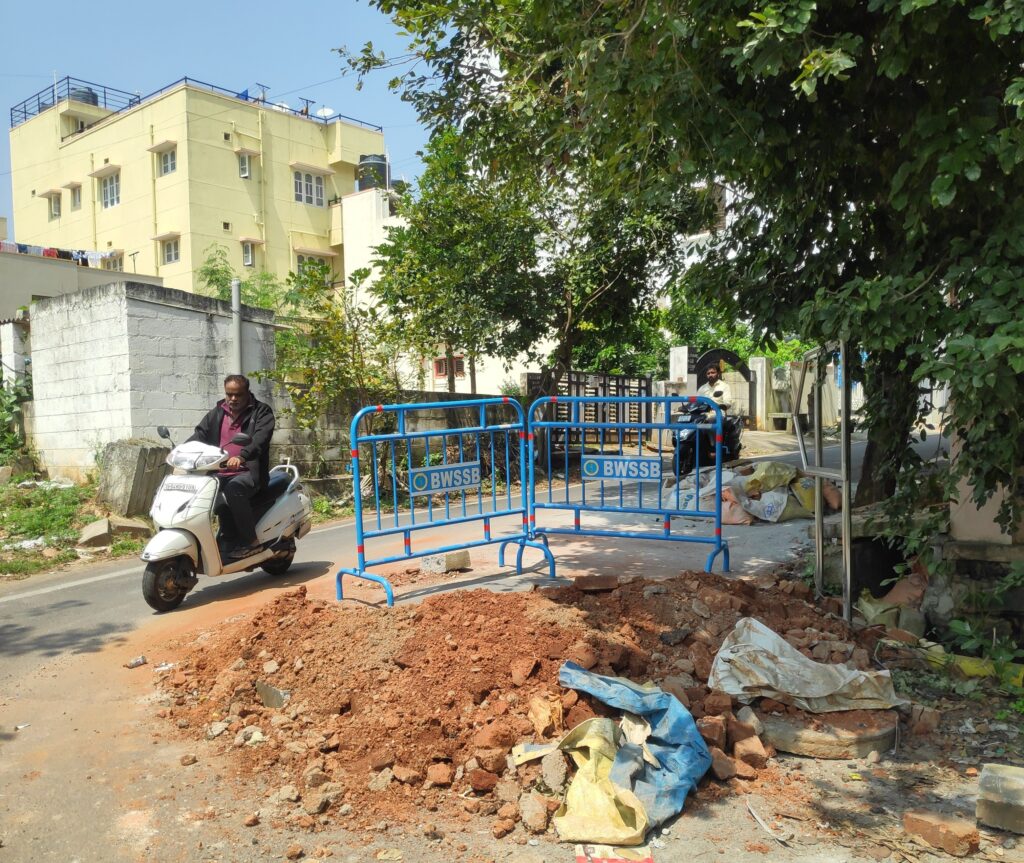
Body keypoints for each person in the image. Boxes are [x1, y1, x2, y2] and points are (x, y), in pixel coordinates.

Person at [187, 375, 275, 559]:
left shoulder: (261, 412)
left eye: (238, 395)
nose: (233, 399)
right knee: (204, 492)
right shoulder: (218, 412)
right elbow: (200, 434)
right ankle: (226, 537)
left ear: (247, 393)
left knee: (234, 489)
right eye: (229, 394)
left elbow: (260, 439)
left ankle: (251, 542)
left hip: (248, 472)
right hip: (219, 471)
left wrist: (242, 456)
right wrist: (181, 451)